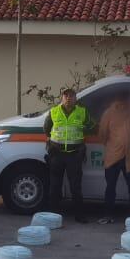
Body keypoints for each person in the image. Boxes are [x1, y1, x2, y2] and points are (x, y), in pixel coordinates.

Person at [43, 87, 93, 223]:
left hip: (74, 155)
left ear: (76, 98)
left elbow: (92, 126)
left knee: (76, 187)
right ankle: (53, 217)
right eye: (66, 96)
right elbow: (46, 129)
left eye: (71, 95)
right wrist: (50, 143)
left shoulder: (82, 112)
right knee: (54, 187)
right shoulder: (54, 111)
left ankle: (79, 215)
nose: (68, 98)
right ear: (62, 98)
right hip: (57, 155)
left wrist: (85, 129)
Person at [96, 91, 130, 223]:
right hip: (123, 156)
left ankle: (109, 215)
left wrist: (111, 145)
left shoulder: (110, 113)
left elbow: (102, 134)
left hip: (120, 156)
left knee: (116, 187)